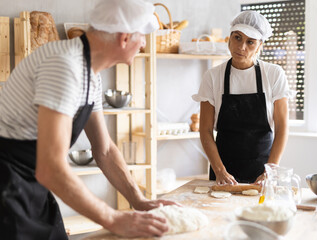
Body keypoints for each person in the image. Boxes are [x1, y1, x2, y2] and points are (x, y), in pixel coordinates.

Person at [0, 0, 178, 239]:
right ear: (124, 38)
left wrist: (139, 200)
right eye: (143, 36)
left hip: (30, 183)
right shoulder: (64, 66)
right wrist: (113, 219)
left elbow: (103, 149)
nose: (145, 44)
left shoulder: (89, 73)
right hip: (6, 183)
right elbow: (51, 169)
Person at [192, 11, 292, 186]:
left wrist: (270, 171)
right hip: (223, 169)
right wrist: (220, 171)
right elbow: (205, 130)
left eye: (250, 42)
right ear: (229, 38)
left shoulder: (274, 74)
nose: (242, 47)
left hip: (263, 170)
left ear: (260, 45)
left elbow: (282, 128)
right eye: (237, 38)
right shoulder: (213, 76)